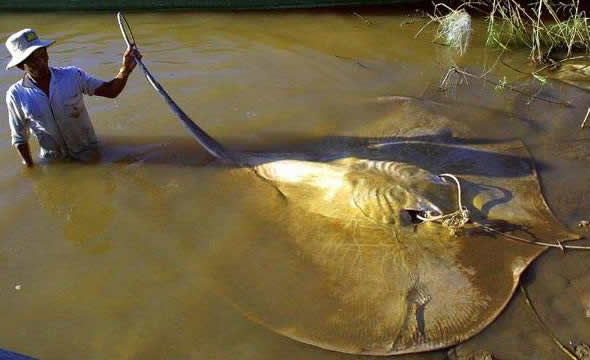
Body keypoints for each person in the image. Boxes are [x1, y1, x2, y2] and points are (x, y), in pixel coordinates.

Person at [4, 28, 142, 166]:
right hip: (55, 162)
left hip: (89, 153)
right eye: (32, 59)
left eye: (42, 53)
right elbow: (20, 138)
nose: (41, 61)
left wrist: (125, 68)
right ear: (20, 66)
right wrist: (30, 168)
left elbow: (111, 91)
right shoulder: (15, 94)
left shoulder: (72, 75)